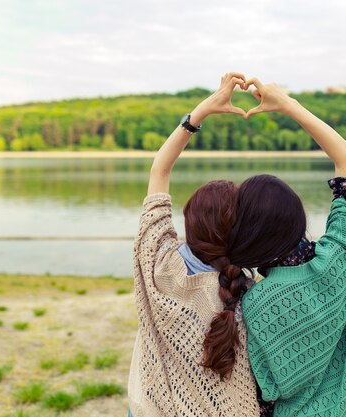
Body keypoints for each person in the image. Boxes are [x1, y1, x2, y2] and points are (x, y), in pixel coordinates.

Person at [234, 78, 346, 416]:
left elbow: (265, 393)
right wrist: (287, 104)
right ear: (295, 217)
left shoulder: (255, 301)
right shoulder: (339, 259)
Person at [128, 72, 261, 417]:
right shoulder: (253, 293)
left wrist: (199, 113)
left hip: (149, 408)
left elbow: (160, 170)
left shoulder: (160, 265)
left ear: (190, 221)